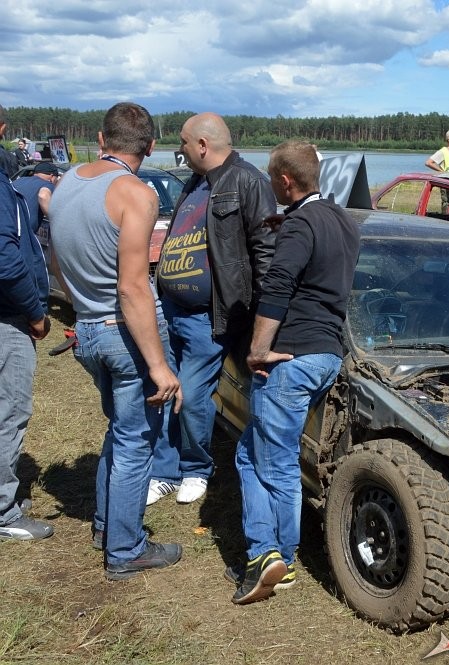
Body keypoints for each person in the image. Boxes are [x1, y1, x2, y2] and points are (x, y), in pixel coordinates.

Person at [48, 102, 183, 577]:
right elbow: (132, 288)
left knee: (120, 431)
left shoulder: (67, 183)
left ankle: (108, 525)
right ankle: (125, 550)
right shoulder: (136, 194)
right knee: (136, 442)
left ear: (102, 140)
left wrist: (81, 306)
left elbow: (56, 261)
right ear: (150, 146)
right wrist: (160, 366)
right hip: (124, 333)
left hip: (87, 327)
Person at [227, 141, 360, 604]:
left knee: (275, 462)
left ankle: (274, 557)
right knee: (251, 454)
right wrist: (289, 225)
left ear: (285, 180)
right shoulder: (340, 219)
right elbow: (320, 267)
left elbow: (279, 284)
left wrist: (258, 349)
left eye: (271, 178)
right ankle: (270, 550)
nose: (270, 185)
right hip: (327, 354)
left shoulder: (301, 224)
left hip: (291, 357)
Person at [149, 112, 276, 506]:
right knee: (163, 389)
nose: (180, 149)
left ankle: (195, 468)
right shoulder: (195, 181)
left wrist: (262, 319)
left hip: (209, 317)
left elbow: (266, 252)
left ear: (202, 145)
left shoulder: (248, 181)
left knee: (190, 394)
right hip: (171, 309)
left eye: (184, 142)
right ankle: (164, 471)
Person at [0, 104, 53, 542]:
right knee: (9, 411)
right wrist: (35, 312)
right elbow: (5, 258)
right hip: (7, 317)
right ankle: (3, 511)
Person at [12, 162, 59, 234]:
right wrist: (55, 219)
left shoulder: (19, 180)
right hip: (22, 233)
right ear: (52, 177)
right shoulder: (48, 184)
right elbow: (43, 196)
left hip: (7, 225)